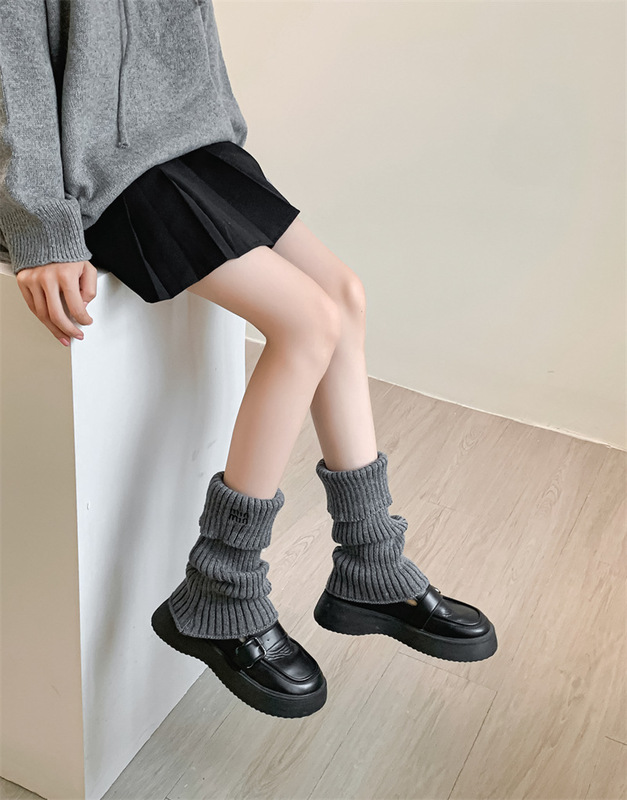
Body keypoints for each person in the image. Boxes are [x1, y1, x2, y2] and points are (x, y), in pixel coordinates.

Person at [0, 0, 497, 719]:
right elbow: (11, 58)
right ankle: (222, 584)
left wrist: (218, 129)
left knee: (343, 295)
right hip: (101, 170)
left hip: (187, 143)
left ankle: (371, 560)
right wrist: (40, 226)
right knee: (305, 323)